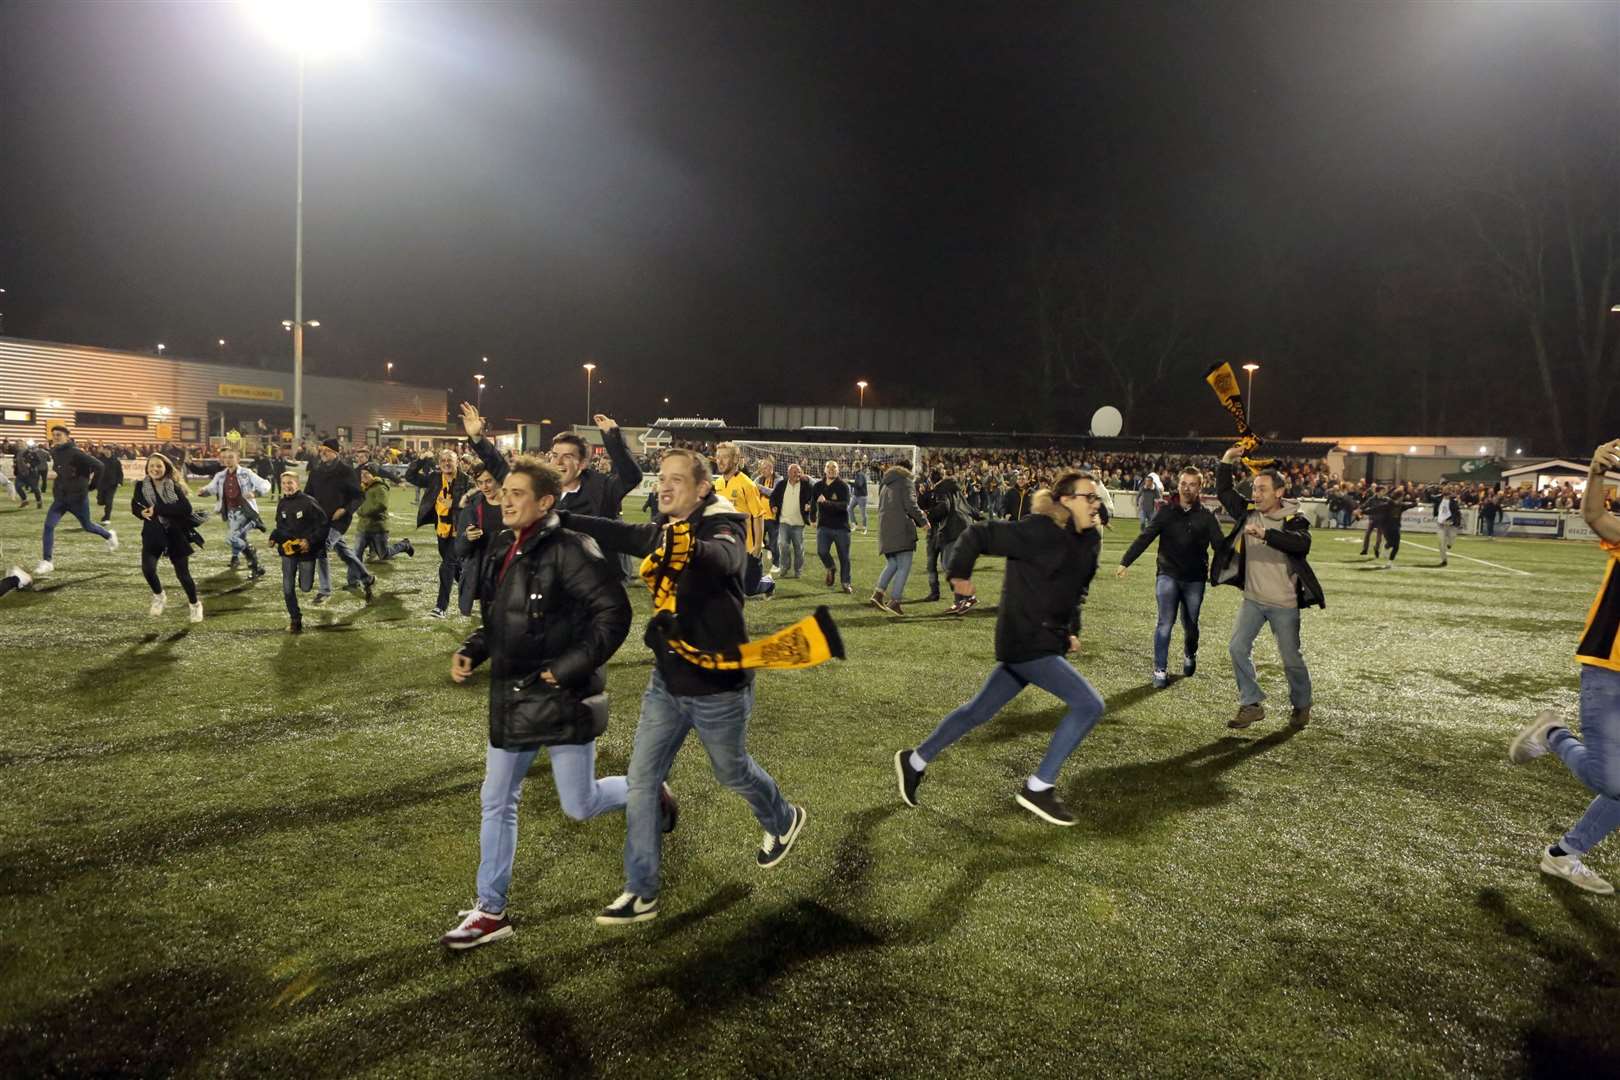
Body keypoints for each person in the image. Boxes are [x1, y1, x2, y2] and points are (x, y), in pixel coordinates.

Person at [561, 448, 820, 926]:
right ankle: (641, 891)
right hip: (667, 681)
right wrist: (565, 518)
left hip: (718, 685)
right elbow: (627, 533)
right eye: (662, 477)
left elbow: (726, 558)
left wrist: (689, 549)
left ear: (702, 489)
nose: (664, 485)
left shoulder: (720, 522)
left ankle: (783, 818)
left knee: (733, 772)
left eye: (676, 479)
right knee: (641, 781)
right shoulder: (666, 530)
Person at [440, 456, 648, 949]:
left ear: (545, 502)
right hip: (512, 696)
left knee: (581, 804)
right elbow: (501, 620)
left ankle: (646, 789)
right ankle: (491, 911)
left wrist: (567, 669)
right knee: (496, 800)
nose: (505, 499)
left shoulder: (572, 549)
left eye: (516, 493)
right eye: (503, 491)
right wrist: (474, 648)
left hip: (559, 695)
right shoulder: (501, 546)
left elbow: (613, 615)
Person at [895, 472, 1106, 826]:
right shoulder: (1038, 530)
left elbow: (1075, 592)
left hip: (1042, 641)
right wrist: (959, 575)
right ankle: (1039, 786)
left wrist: (1071, 630)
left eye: (1097, 498)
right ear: (1065, 500)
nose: (1096, 503)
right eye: (1089, 497)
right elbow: (979, 533)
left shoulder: (1088, 542)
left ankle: (914, 761)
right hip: (1025, 639)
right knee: (1089, 705)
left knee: (977, 711)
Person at [1508, 439, 1620, 895]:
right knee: (1609, 778)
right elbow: (1595, 516)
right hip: (1609, 668)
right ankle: (1552, 733)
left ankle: (1563, 855)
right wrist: (1596, 474)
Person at [1213, 445, 1325, 730]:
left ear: (1279, 491)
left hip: (1284, 604)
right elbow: (1225, 492)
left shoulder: (1294, 518)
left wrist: (1267, 535)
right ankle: (1251, 704)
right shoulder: (1248, 512)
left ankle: (1301, 704)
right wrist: (1227, 460)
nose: (1255, 494)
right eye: (1254, 489)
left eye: (1262, 489)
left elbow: (1302, 543)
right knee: (1237, 648)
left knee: (1291, 659)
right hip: (1253, 600)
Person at [1116, 466, 1224, 688]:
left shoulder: (1207, 516)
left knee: (1190, 623)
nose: (1186, 488)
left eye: (1192, 484)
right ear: (1178, 485)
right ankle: (1160, 670)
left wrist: (1222, 570)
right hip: (1168, 574)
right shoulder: (1166, 511)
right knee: (1165, 622)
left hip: (1195, 579)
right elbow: (1146, 536)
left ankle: (1190, 653)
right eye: (1183, 483)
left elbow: (1221, 547)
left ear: (1199, 487)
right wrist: (1126, 560)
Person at [130, 452, 204, 622]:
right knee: (148, 569)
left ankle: (195, 605)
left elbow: (185, 509)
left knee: (183, 575)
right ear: (147, 468)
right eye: (152, 466)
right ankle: (159, 595)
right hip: (152, 533)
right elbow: (135, 505)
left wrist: (157, 509)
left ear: (166, 468)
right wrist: (141, 512)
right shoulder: (141, 485)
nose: (155, 469)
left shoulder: (173, 486)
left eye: (159, 466)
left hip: (174, 534)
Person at [34, 425, 117, 576]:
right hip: (60, 498)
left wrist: (92, 485)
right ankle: (47, 561)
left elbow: (99, 465)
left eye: (59, 435)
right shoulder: (55, 452)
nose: (56, 437)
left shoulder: (76, 452)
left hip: (77, 498)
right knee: (48, 526)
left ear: (67, 436)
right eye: (54, 435)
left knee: (88, 526)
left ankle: (109, 535)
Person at [304, 437, 375, 603]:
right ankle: (366, 577)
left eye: (326, 451)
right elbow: (308, 495)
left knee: (322, 547)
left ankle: (324, 590)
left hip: (339, 519)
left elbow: (358, 496)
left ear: (335, 452)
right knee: (344, 552)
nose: (322, 454)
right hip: (320, 520)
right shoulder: (316, 471)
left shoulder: (347, 471)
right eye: (321, 451)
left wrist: (344, 510)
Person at [195, 445, 271, 579]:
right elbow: (211, 488)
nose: (227, 460)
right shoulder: (220, 475)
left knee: (232, 538)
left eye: (231, 457)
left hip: (245, 512)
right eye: (225, 457)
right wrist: (203, 491)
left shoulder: (246, 473)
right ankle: (255, 567)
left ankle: (254, 559)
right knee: (240, 538)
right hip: (230, 513)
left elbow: (265, 484)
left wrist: (255, 493)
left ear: (238, 459)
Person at [268, 470, 327, 634]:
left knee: (306, 587)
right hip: (287, 552)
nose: (287, 486)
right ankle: (295, 619)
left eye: (290, 483)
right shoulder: (282, 503)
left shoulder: (309, 502)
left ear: (297, 484)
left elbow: (323, 525)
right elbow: (280, 526)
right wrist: (274, 537)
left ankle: (306, 582)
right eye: (284, 483)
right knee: (287, 587)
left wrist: (309, 541)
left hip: (306, 551)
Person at [714, 442, 773, 597]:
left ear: (735, 459)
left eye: (725, 457)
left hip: (748, 546)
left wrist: (758, 546)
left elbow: (758, 515)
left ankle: (768, 583)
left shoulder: (747, 484)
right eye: (718, 457)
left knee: (749, 589)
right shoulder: (718, 483)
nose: (719, 461)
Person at [872, 463, 929, 615]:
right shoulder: (906, 482)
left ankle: (878, 594)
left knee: (893, 563)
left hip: (885, 529)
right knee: (904, 565)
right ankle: (895, 601)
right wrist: (923, 521)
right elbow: (911, 505)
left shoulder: (885, 484)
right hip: (901, 529)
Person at [354, 465, 415, 563]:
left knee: (384, 554)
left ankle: (404, 545)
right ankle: (359, 576)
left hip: (378, 527)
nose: (363, 476)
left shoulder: (380, 487)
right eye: (362, 474)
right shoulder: (363, 487)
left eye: (366, 474)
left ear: (373, 475)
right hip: (363, 526)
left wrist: (362, 511)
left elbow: (381, 505)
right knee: (356, 554)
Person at [810, 459, 853, 593]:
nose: (831, 469)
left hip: (841, 527)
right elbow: (813, 503)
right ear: (824, 470)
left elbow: (844, 506)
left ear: (838, 470)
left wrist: (827, 502)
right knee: (821, 551)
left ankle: (846, 583)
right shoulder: (817, 486)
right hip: (824, 526)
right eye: (829, 467)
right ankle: (831, 567)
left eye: (834, 467)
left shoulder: (843, 486)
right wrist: (812, 518)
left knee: (844, 557)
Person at [769, 462, 812, 579]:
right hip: (784, 521)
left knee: (799, 548)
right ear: (788, 473)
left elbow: (814, 496)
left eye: (799, 471)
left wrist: (810, 505)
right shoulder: (782, 484)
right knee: (783, 545)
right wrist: (773, 506)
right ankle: (784, 567)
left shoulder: (806, 485)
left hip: (799, 523)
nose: (797, 474)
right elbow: (773, 497)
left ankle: (798, 570)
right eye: (794, 472)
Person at [755, 455, 779, 570]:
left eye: (764, 468)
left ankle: (776, 564)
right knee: (759, 541)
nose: (762, 471)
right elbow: (752, 487)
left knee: (775, 543)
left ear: (770, 468)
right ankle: (757, 563)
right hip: (760, 516)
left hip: (773, 517)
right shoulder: (759, 478)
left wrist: (759, 488)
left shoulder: (778, 479)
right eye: (761, 468)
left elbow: (774, 493)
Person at [1434, 485, 1463, 566]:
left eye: (1447, 489)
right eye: (1444, 489)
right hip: (1441, 524)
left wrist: (1454, 522)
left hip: (1451, 524)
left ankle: (1450, 544)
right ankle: (1444, 560)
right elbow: (1431, 498)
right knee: (1441, 542)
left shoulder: (1454, 502)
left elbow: (1457, 513)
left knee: (1451, 539)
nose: (1445, 490)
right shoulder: (1438, 499)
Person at [94, 445, 124, 524]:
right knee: (100, 501)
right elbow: (96, 470)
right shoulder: (100, 459)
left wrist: (120, 482)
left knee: (109, 501)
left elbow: (120, 473)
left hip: (112, 484)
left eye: (108, 450)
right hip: (101, 483)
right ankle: (101, 502)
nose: (106, 451)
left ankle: (107, 518)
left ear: (111, 451)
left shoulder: (116, 461)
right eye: (105, 450)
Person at [13, 443, 45, 508]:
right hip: (20, 474)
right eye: (17, 445)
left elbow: (38, 461)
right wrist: (15, 466)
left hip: (31, 474)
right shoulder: (16, 453)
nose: (18, 446)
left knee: (35, 488)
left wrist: (31, 464)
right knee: (18, 487)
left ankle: (39, 502)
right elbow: (16, 462)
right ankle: (24, 501)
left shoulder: (31, 453)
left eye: (20, 444)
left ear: (24, 445)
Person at [849, 461, 870, 534]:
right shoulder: (857, 474)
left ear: (856, 467)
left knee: (863, 513)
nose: (853, 467)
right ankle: (854, 524)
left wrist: (850, 482)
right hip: (856, 496)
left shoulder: (860, 475)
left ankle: (865, 528)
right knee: (849, 508)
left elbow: (859, 485)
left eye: (853, 466)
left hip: (862, 497)